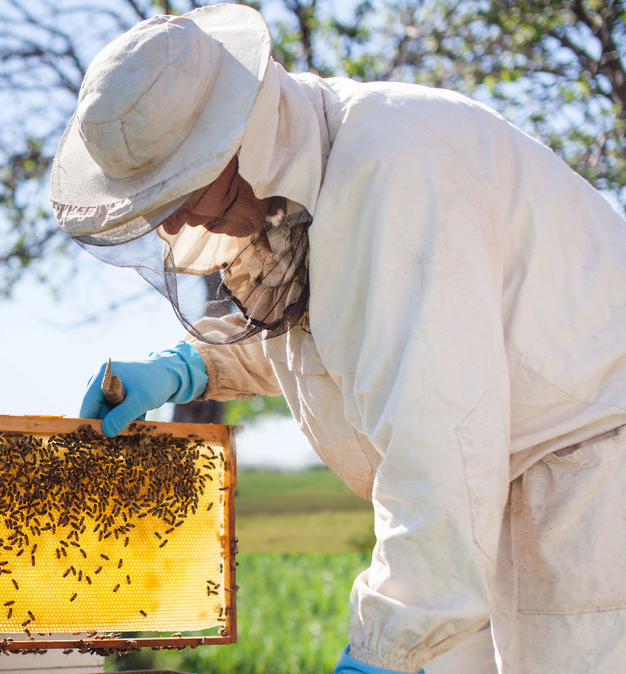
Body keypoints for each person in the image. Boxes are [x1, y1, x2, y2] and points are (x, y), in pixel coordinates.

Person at [51, 4, 626, 674]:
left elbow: (437, 432)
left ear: (234, 143)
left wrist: (378, 654)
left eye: (177, 191)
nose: (174, 223)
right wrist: (190, 365)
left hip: (588, 483)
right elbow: (334, 328)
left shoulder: (392, 170)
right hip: (492, 489)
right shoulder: (306, 175)